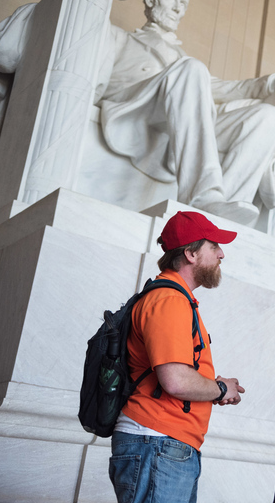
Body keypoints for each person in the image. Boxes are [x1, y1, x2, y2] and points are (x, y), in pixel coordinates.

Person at [95, 0, 275, 225]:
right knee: (192, 69)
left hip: (181, 119)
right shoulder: (120, 38)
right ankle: (202, 197)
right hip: (136, 109)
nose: (179, 8)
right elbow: (96, 76)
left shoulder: (186, 63)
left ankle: (219, 217)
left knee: (268, 117)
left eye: (184, 3)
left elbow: (225, 89)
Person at [108, 210, 246, 503]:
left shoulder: (176, 298)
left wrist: (211, 385)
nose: (221, 254)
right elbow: (175, 380)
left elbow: (180, 372)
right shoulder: (169, 300)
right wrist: (220, 388)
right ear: (191, 254)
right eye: (214, 246)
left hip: (163, 444)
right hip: (157, 442)